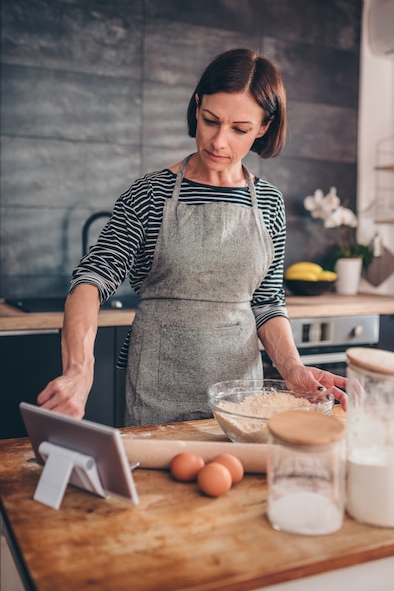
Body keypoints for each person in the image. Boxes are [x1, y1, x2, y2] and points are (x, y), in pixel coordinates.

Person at [38, 48, 347, 426]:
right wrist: (79, 371)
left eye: (239, 129)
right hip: (156, 392)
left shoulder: (269, 202)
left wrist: (293, 368)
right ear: (197, 106)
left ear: (263, 127)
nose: (219, 141)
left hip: (241, 399)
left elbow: (267, 303)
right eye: (210, 120)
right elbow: (91, 279)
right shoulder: (149, 194)